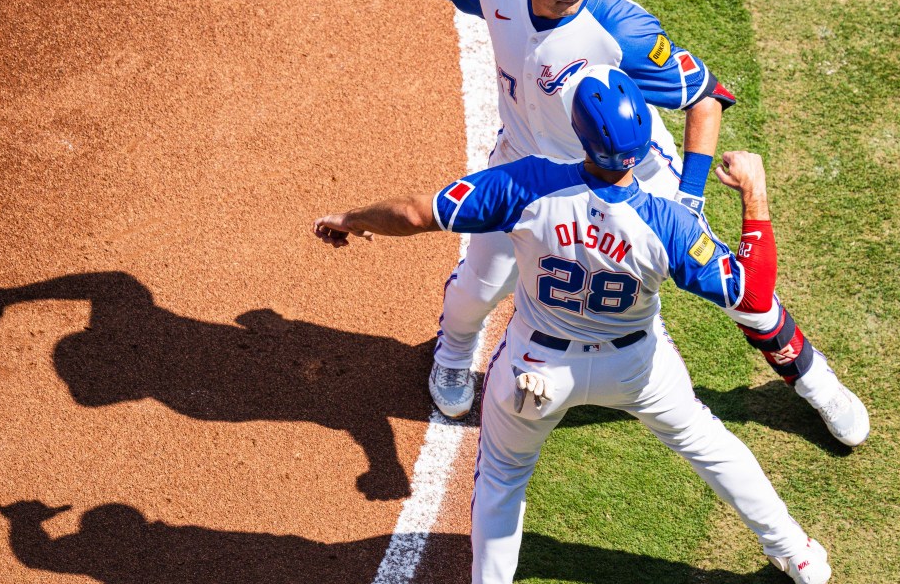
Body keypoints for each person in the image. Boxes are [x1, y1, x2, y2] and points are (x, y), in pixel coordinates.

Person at [313, 66, 836, 583]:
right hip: (636, 368)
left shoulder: (528, 184)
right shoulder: (668, 223)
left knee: (502, 481)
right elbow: (755, 295)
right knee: (708, 444)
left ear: (580, 135)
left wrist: (352, 219)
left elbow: (413, 213)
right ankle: (796, 554)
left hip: (536, 369)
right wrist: (754, 194)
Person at [349, 0, 869, 446]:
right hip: (527, 174)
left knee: (740, 293)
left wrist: (689, 198)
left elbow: (705, 96)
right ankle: (453, 355)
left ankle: (815, 381)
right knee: (480, 286)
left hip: (633, 174)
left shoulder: (622, 29)